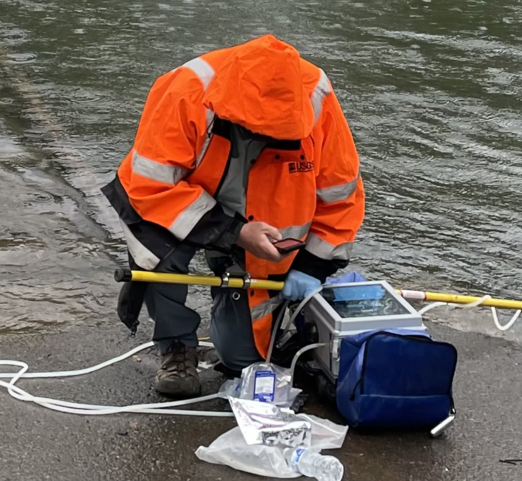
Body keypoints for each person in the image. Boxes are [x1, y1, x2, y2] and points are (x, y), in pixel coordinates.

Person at [102, 33, 365, 397]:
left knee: (242, 360)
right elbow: (152, 188)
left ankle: (244, 316)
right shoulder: (184, 92)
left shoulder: (316, 96)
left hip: (255, 206)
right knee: (156, 246)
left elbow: (341, 193)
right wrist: (236, 233)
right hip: (172, 199)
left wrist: (312, 266)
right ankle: (176, 345)